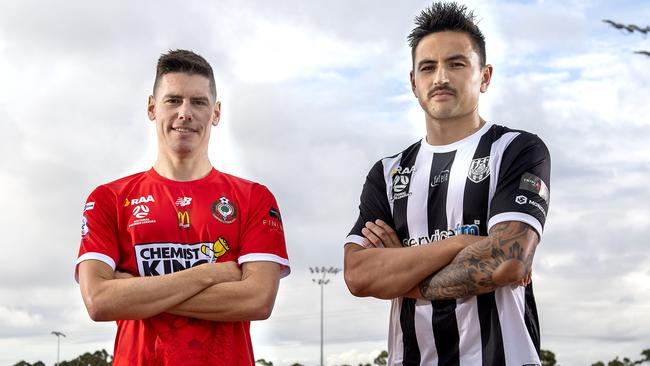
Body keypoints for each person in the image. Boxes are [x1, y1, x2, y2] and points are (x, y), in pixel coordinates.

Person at [343, 2, 550, 365]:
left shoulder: (517, 150)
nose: (440, 77)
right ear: (413, 82)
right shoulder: (389, 173)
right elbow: (359, 276)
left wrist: (399, 275)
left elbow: (506, 262)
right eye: (428, 67)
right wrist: (461, 243)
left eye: (456, 64)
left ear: (484, 76)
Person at [76, 49, 290, 366]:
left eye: (198, 102)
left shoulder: (253, 198)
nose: (185, 113)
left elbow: (257, 300)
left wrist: (134, 291)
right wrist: (209, 274)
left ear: (215, 113)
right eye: (173, 100)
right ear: (152, 107)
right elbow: (99, 301)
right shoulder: (109, 198)